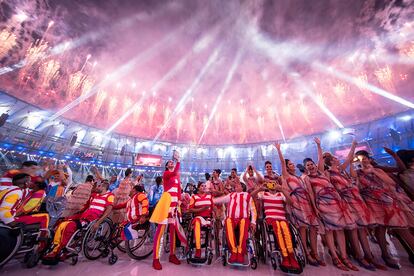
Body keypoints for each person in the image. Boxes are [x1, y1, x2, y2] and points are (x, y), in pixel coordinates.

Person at [323, 142, 382, 270]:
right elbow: (329, 187)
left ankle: (368, 256)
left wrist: (354, 145)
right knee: (353, 229)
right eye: (335, 158)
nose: (337, 159)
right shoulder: (329, 173)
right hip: (345, 203)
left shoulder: (341, 170)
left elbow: (349, 159)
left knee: (361, 228)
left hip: (355, 200)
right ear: (331, 161)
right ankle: (359, 256)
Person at [304, 137, 357, 271]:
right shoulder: (307, 179)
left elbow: (320, 160)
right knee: (329, 231)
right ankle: (335, 256)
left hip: (336, 203)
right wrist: (315, 207)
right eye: (308, 165)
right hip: (323, 205)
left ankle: (344, 257)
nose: (311, 166)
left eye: (312, 164)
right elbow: (310, 194)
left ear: (316, 165)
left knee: (340, 230)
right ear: (306, 169)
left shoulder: (323, 173)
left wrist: (319, 145)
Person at [355, 150, 414, 269]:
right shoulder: (357, 173)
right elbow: (357, 188)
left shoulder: (378, 170)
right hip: (372, 203)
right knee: (380, 230)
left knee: (402, 228)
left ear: (369, 159)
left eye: (364, 158)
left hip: (389, 202)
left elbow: (391, 183)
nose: (363, 161)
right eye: (359, 159)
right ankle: (385, 255)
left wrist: (374, 172)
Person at [274, 142, 321, 266]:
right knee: (303, 229)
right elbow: (282, 163)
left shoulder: (301, 177)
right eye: (290, 164)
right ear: (287, 167)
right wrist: (279, 150)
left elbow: (309, 192)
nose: (293, 165)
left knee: (313, 228)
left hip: (306, 204)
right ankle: (306, 253)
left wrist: (314, 207)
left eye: (292, 164)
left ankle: (315, 253)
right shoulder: (287, 176)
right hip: (296, 204)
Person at [43, 181, 114, 261]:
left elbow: (108, 210)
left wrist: (98, 223)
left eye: (98, 186)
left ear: (103, 187)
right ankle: (55, 246)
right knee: (61, 222)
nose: (96, 187)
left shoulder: (110, 196)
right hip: (84, 216)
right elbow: (89, 200)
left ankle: (59, 249)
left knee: (68, 226)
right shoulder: (94, 195)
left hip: (92, 219)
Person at [252, 180, 301, 272]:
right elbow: (250, 197)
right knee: (278, 229)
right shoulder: (263, 194)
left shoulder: (281, 194)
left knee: (285, 229)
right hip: (270, 218)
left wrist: (282, 190)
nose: (272, 185)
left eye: (274, 183)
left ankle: (291, 256)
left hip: (282, 217)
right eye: (269, 183)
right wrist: (259, 189)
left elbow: (291, 202)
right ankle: (285, 256)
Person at [150, 155, 187, 270]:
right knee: (160, 230)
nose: (171, 163)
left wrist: (180, 201)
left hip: (175, 205)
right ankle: (155, 259)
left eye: (173, 162)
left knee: (172, 230)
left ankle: (172, 254)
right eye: (169, 162)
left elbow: (179, 189)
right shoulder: (166, 174)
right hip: (166, 203)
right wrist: (178, 162)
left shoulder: (177, 176)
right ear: (166, 166)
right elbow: (173, 173)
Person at [213, 183, 257, 264]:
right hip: (231, 219)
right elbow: (220, 200)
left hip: (243, 219)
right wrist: (209, 200)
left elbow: (253, 209)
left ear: (243, 187)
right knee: (228, 222)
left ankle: (240, 252)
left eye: (239, 184)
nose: (236, 185)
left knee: (244, 223)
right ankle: (233, 251)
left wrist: (253, 222)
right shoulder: (231, 195)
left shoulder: (247, 195)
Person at [188, 182, 214, 259]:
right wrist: (201, 209)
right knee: (197, 223)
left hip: (208, 218)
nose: (204, 187)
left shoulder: (209, 196)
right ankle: (198, 249)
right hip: (198, 217)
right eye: (202, 186)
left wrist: (216, 214)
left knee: (203, 224)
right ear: (198, 188)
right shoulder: (194, 197)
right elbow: (190, 209)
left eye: (205, 186)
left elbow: (213, 208)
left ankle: (204, 246)